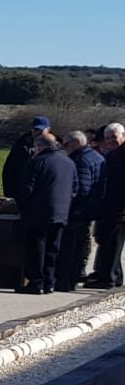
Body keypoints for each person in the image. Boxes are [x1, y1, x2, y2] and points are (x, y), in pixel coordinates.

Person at [18, 129, 78, 294]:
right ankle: (50, 281)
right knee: (53, 249)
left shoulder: (37, 162)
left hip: (39, 213)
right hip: (61, 213)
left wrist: (22, 206)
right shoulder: (69, 162)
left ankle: (36, 282)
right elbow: (74, 188)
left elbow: (27, 188)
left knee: (37, 248)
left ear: (39, 147)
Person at [55, 129, 105, 291]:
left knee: (69, 248)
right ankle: (74, 277)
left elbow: (82, 188)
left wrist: (70, 204)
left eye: (67, 144)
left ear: (76, 143)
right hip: (92, 209)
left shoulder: (80, 160)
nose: (65, 148)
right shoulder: (96, 157)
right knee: (82, 245)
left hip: (78, 211)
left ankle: (66, 281)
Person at [85, 123, 124, 288]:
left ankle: (109, 278)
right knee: (108, 241)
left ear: (123, 136)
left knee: (112, 242)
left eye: (114, 137)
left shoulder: (120, 156)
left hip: (118, 207)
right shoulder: (114, 154)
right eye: (107, 138)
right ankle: (112, 275)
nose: (110, 141)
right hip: (111, 206)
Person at [4, 116, 56, 200]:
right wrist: (11, 193)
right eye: (35, 130)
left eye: (40, 131)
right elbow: (10, 169)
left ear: (48, 130)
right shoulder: (21, 146)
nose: (37, 133)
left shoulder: (58, 146)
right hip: (23, 192)